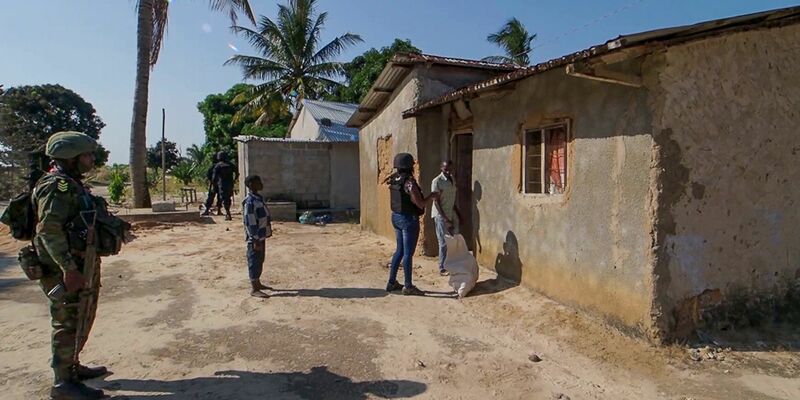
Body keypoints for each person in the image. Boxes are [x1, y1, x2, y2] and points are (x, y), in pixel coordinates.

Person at [33, 132, 112, 399]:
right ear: (71, 158)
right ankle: (62, 383)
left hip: (81, 262)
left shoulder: (71, 183)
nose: (92, 159)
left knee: (80, 315)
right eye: (87, 155)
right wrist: (68, 268)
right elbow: (48, 230)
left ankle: (72, 367)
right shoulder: (57, 187)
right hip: (65, 268)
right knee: (66, 320)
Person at [384, 153, 436, 296]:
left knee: (399, 251)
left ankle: (391, 282)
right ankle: (408, 286)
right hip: (408, 219)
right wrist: (431, 196)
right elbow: (419, 203)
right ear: (409, 166)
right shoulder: (409, 182)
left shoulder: (394, 179)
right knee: (407, 254)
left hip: (396, 217)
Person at [242, 175, 272, 298]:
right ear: (251, 185)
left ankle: (258, 283)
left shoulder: (258, 199)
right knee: (254, 260)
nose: (261, 183)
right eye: (257, 182)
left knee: (260, 260)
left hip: (261, 236)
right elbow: (250, 222)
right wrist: (254, 239)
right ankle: (254, 288)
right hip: (255, 238)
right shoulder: (250, 202)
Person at [430, 160, 462, 276]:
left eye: (450, 169)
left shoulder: (452, 180)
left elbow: (452, 199)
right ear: (441, 168)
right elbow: (436, 202)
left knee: (452, 240)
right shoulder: (437, 181)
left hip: (450, 213)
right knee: (443, 242)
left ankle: (450, 264)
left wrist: (458, 214)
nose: (448, 171)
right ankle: (442, 268)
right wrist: (445, 218)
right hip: (440, 215)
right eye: (445, 169)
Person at [211, 151, 238, 220]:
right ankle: (227, 212)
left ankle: (227, 213)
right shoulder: (230, 164)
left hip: (222, 184)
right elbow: (237, 173)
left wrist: (214, 185)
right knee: (228, 198)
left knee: (223, 198)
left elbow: (214, 177)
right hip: (230, 184)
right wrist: (234, 180)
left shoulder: (218, 165)